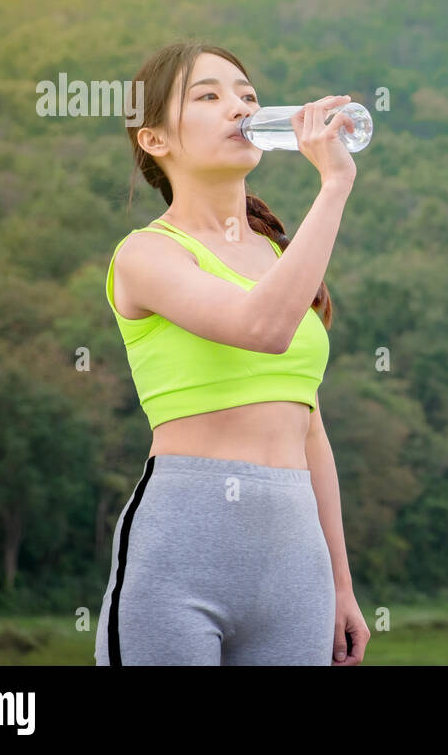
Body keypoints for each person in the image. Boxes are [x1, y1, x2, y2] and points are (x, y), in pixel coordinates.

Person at [94, 41, 369, 665]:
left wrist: (340, 586)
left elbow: (310, 430)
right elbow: (261, 326)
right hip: (182, 550)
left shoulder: (281, 258)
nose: (239, 108)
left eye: (246, 95)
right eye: (208, 96)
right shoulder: (146, 254)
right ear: (155, 139)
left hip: (295, 559)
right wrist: (334, 186)